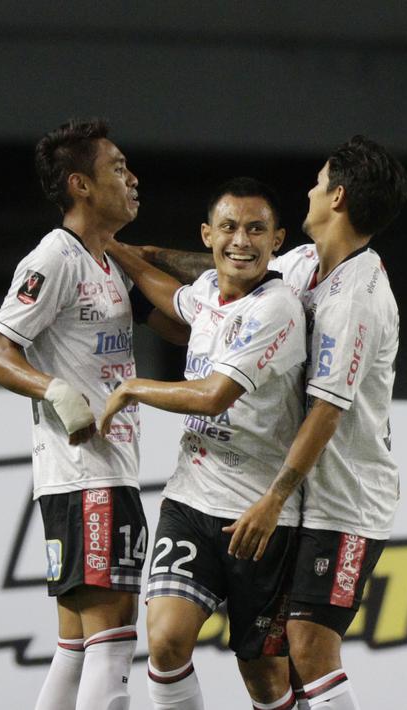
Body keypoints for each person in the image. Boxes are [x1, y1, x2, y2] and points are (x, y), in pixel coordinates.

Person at [99, 177, 307, 710]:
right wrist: (113, 248)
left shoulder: (277, 308)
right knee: (166, 641)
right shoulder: (210, 290)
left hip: (258, 516)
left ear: (277, 240)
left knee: (264, 677)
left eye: (256, 229)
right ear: (207, 235)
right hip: (190, 502)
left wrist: (133, 388)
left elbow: (214, 396)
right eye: (229, 227)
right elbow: (172, 296)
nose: (242, 240)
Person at [222, 135, 407, 710]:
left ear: (338, 197)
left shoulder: (357, 298)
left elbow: (327, 410)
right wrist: (136, 257)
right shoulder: (304, 263)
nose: (309, 190)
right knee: (265, 657)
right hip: (306, 499)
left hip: (344, 503)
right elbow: (228, 274)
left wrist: (273, 498)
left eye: (319, 181)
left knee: (309, 645)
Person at [0, 118, 147, 710]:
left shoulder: (107, 261)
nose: (132, 179)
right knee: (113, 638)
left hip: (105, 470)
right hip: (85, 474)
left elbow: (178, 316)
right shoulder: (55, 256)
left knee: (77, 647)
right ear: (81, 185)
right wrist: (56, 391)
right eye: (118, 169)